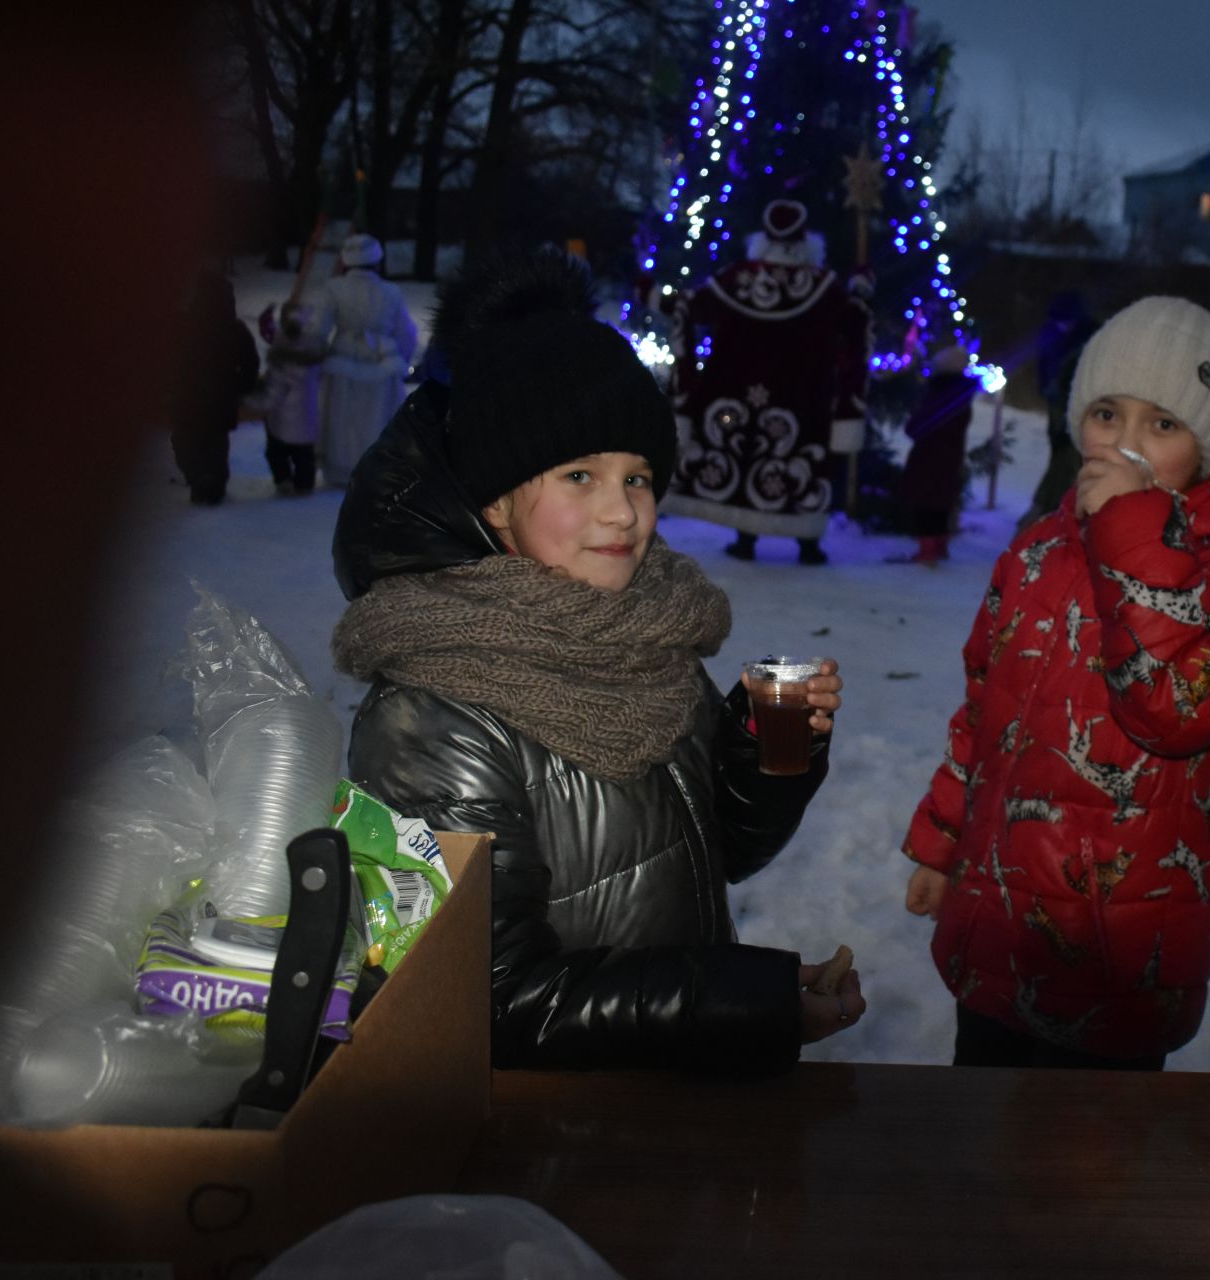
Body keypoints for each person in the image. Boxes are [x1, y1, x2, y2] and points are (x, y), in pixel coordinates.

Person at [331, 247, 865, 1072]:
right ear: (497, 500)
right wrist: (734, 1000)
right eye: (580, 474)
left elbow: (705, 853)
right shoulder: (430, 719)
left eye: (640, 476)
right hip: (537, 1144)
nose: (623, 511)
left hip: (660, 1100)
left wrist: (764, 757)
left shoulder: (643, 637)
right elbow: (477, 1002)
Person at [901, 297, 1210, 1069]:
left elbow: (1179, 709)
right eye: (1109, 414)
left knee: (1088, 1171)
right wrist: (941, 848)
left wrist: (1134, 535)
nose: (1129, 444)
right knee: (978, 1144)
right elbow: (984, 709)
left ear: (1206, 448)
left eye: (1163, 424)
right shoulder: (1038, 550)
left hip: (1118, 952)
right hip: (1002, 922)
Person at [664, 199, 871, 566]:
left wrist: (659, 298)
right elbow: (853, 323)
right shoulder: (822, 286)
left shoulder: (737, 278)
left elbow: (693, 306)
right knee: (800, 455)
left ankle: (746, 538)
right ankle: (808, 544)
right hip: (803, 397)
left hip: (736, 391)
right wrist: (860, 290)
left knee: (744, 452)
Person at [320, 232, 417, 488]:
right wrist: (399, 358)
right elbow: (406, 332)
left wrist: (311, 355)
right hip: (381, 363)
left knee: (342, 420)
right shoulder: (390, 291)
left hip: (341, 361)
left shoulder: (334, 287)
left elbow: (319, 328)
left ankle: (340, 471)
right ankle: (373, 470)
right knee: (376, 420)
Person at [170, 267, 259, 506]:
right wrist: (243, 386)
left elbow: (168, 360)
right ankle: (213, 483)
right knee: (216, 443)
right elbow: (250, 362)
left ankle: (198, 477)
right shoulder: (235, 329)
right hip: (222, 397)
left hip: (188, 397)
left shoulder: (183, 327)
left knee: (185, 440)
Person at [1018, 291, 1099, 531]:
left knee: (1069, 462)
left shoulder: (1088, 338)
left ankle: (1054, 512)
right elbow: (1044, 361)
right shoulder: (1052, 332)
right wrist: (1045, 387)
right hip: (1056, 405)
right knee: (1058, 455)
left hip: (1077, 408)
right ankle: (1049, 510)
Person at [889, 342, 977, 566]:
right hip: (950, 457)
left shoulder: (939, 394)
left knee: (925, 502)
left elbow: (917, 426)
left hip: (928, 457)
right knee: (940, 502)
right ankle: (939, 544)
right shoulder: (962, 397)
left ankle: (927, 549)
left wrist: (915, 424)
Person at [256, 297, 330, 496]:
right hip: (307, 418)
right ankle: (305, 482)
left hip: (280, 422)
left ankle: (283, 480)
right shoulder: (314, 355)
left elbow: (273, 395)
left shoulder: (281, 361)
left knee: (276, 452)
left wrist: (256, 402)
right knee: (304, 454)